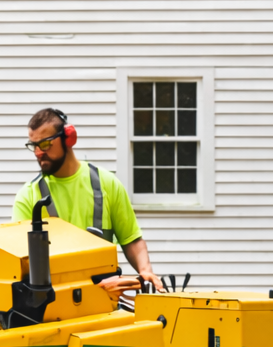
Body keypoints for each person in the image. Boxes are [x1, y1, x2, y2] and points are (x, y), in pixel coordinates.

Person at [12, 107, 164, 294]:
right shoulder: (28, 196)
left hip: (105, 305)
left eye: (44, 145)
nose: (37, 153)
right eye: (33, 146)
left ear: (69, 138)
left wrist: (145, 271)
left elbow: (131, 239)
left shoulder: (106, 184)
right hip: (53, 309)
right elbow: (20, 260)